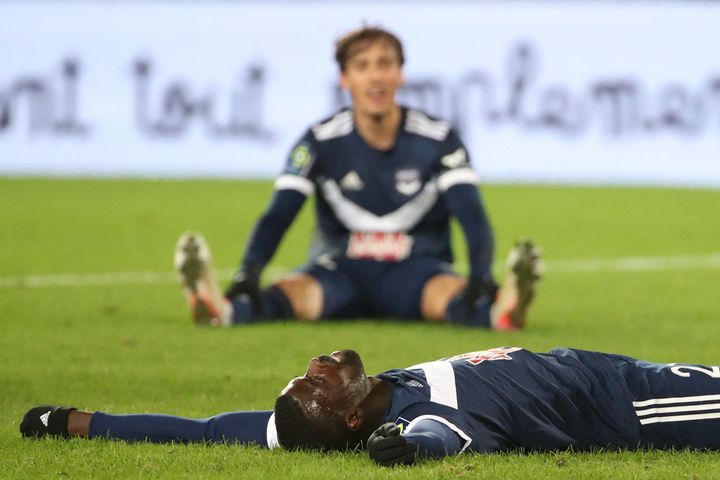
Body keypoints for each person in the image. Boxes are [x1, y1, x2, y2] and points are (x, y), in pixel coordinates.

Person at [173, 26, 542, 329]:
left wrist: (480, 275)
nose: (375, 75)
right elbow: (279, 214)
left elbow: (471, 213)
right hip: (340, 268)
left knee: (449, 297)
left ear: (401, 74)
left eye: (385, 64)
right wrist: (249, 273)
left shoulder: (438, 139)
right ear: (345, 79)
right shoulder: (319, 141)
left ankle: (502, 311)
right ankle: (222, 309)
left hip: (416, 268)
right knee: (295, 294)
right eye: (362, 66)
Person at [22, 346, 720, 465]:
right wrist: (410, 451)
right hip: (638, 404)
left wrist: (83, 423)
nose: (316, 366)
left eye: (305, 375)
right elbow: (437, 437)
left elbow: (208, 431)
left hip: (618, 368)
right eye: (315, 384)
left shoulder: (376, 394)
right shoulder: (421, 417)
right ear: (354, 419)